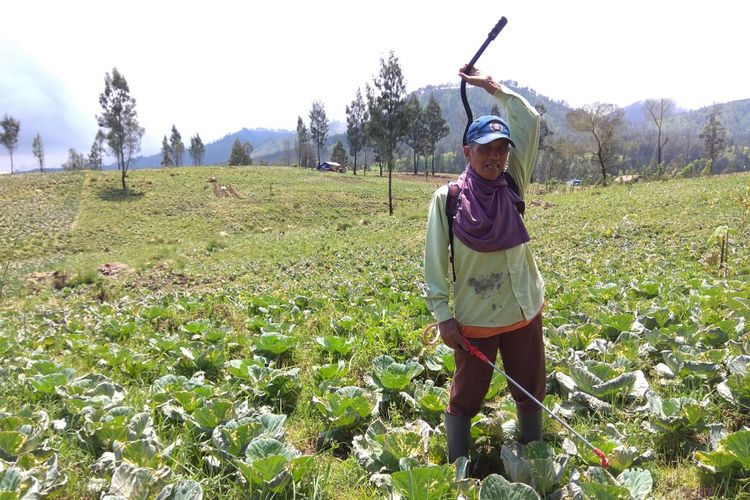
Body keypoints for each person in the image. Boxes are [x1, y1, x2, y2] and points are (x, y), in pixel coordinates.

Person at [423, 65, 545, 463]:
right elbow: (435, 263)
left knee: (529, 387)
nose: (495, 156)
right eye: (485, 149)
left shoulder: (513, 182)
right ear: (467, 152)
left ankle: (533, 457)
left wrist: (491, 86)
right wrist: (443, 315)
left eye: (501, 149)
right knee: (467, 393)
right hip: (475, 315)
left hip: (522, 306)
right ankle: (459, 463)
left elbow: (529, 118)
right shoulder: (449, 199)